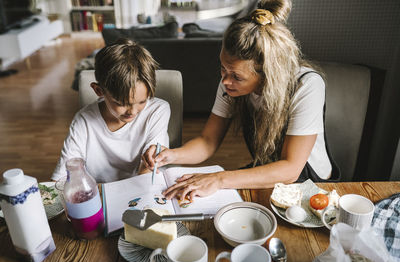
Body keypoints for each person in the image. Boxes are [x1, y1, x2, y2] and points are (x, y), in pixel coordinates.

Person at [142, 0, 340, 201]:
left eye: (237, 76)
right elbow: (208, 141)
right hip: (268, 173)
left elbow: (290, 169)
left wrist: (218, 179)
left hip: (311, 184)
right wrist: (170, 155)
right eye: (222, 68)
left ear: (268, 73)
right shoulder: (229, 84)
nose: (225, 81)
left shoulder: (306, 86)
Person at [51, 38, 170, 183]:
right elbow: (63, 177)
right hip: (99, 191)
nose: (132, 111)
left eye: (142, 101)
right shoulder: (84, 120)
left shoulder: (158, 110)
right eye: (121, 103)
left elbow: (147, 168)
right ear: (98, 90)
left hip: (141, 186)